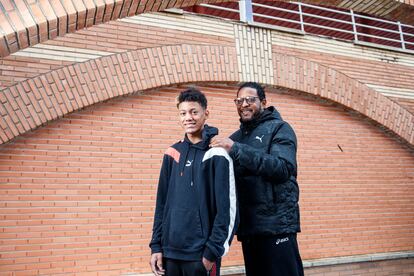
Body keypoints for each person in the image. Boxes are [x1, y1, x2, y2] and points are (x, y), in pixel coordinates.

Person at [210, 82, 304, 276]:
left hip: (278, 227)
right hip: (249, 229)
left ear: (263, 102)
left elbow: (283, 168)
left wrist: (235, 149)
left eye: (250, 99)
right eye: (239, 100)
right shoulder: (235, 137)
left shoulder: (280, 128)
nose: (244, 104)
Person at [149, 87, 237, 276]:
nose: (188, 117)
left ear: (206, 113)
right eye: (183, 113)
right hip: (169, 254)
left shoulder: (217, 154)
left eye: (194, 112)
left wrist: (211, 254)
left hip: (200, 256)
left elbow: (227, 211)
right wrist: (156, 246)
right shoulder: (172, 153)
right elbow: (161, 204)